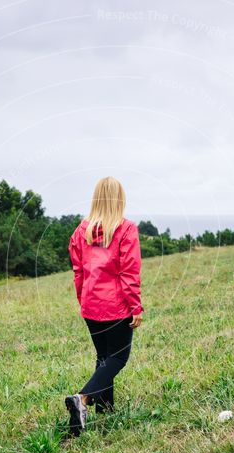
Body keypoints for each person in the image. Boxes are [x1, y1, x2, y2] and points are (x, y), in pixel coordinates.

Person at [64, 176, 143, 436]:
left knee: (103, 358)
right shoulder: (126, 229)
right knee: (118, 357)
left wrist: (83, 300)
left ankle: (106, 412)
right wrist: (136, 307)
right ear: (119, 198)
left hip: (91, 304)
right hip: (117, 305)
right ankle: (83, 399)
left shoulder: (80, 231)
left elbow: (78, 272)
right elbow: (128, 272)